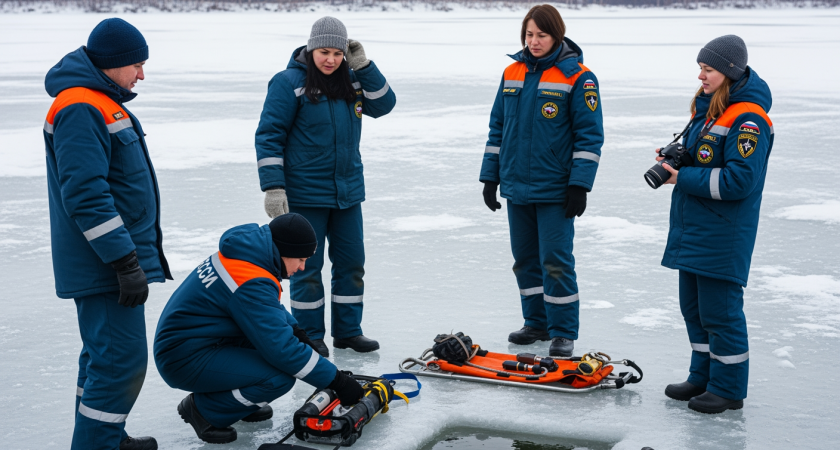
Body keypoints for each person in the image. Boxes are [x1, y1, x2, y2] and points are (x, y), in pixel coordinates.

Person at [43, 18, 170, 450]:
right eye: (136, 64)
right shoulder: (81, 106)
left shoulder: (98, 100)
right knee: (120, 363)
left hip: (109, 261)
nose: (141, 74)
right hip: (104, 265)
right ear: (113, 62)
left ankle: (104, 436)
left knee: (103, 358)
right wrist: (124, 261)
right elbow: (86, 194)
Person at [153, 214, 364, 444]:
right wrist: (337, 382)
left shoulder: (248, 254)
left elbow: (266, 308)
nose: (303, 267)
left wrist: (296, 332)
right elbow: (282, 350)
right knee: (279, 376)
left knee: (271, 350)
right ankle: (205, 410)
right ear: (284, 250)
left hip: (198, 342)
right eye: (301, 259)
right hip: (183, 359)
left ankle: (235, 404)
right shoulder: (250, 281)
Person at [254, 16, 395, 356]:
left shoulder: (352, 81)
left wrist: (364, 65)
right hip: (305, 195)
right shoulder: (288, 83)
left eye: (337, 53)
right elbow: (268, 136)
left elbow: (384, 104)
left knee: (351, 264)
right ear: (311, 49)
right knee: (306, 268)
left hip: (347, 193)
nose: (330, 60)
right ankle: (309, 334)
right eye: (323, 52)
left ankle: (348, 332)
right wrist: (274, 188)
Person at [479, 5, 603, 357]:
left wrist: (579, 185)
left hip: (556, 190)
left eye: (542, 35)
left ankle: (563, 331)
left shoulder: (579, 77)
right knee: (525, 260)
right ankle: (536, 322)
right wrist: (490, 177)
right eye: (529, 35)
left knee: (556, 260)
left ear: (557, 36)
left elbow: (589, 136)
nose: (534, 42)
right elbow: (497, 128)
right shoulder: (512, 72)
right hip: (517, 186)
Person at [658, 35, 773, 414]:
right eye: (702, 68)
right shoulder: (710, 110)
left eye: (707, 69)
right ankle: (703, 376)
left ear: (728, 72)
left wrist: (681, 177)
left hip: (722, 234)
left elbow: (739, 182)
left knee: (721, 314)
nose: (701, 75)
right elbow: (704, 159)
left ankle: (728, 389)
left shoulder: (749, 119)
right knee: (694, 310)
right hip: (694, 230)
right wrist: (676, 159)